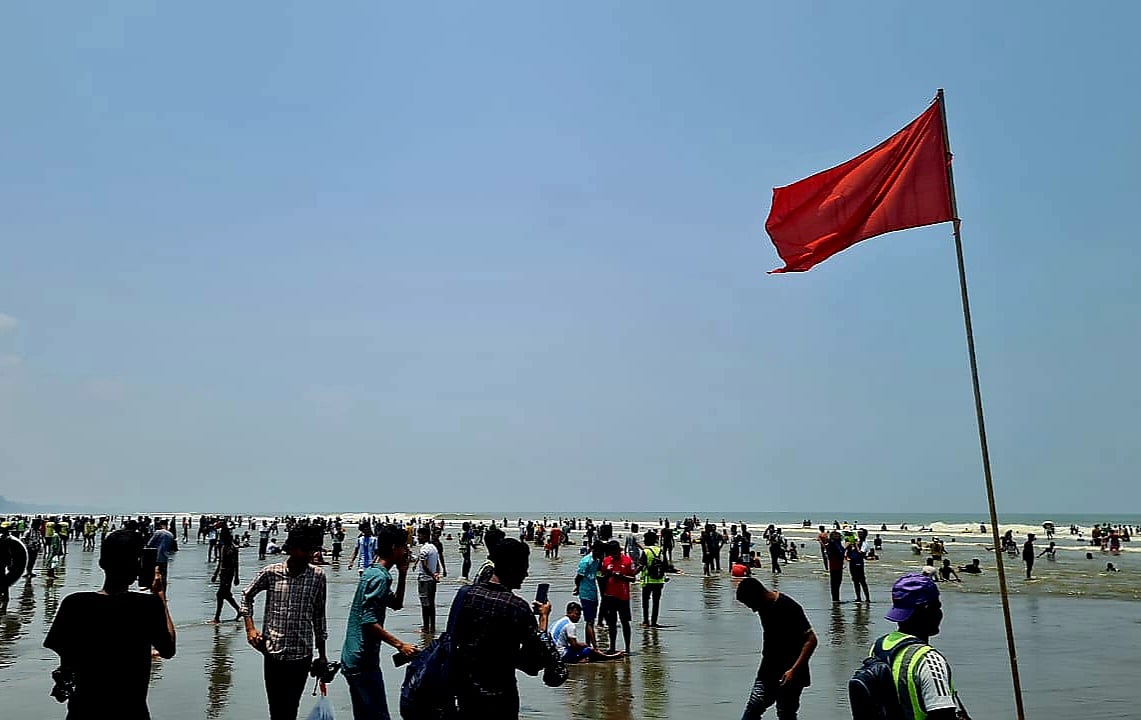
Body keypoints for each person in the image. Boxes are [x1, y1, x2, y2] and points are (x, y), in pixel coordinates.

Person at [43, 529, 176, 720]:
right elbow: (168, 649)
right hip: (130, 711)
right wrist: (161, 596)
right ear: (138, 566)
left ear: (101, 563)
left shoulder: (74, 604)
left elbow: (66, 659)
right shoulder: (147, 605)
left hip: (84, 710)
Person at [451, 537, 567, 719]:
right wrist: (543, 618)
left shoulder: (466, 594)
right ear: (513, 568)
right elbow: (533, 664)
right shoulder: (516, 607)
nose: (526, 574)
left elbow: (452, 640)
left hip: (465, 692)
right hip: (500, 696)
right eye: (524, 568)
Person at [243, 527, 329, 720]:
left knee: (291, 707)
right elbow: (246, 596)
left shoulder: (318, 576)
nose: (309, 554)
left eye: (311, 549)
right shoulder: (271, 573)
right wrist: (250, 628)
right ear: (291, 549)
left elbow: (319, 617)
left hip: (302, 654)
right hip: (273, 651)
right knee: (275, 707)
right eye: (304, 549)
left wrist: (322, 655)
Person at [340, 524, 416, 720]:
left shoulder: (373, 572)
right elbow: (368, 622)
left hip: (353, 658)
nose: (406, 551)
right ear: (393, 548)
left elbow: (397, 604)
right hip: (362, 660)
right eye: (403, 547)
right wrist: (400, 645)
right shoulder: (379, 578)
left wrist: (403, 573)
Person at [868, 574, 962, 720]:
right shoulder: (928, 659)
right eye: (937, 607)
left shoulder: (879, 647)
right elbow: (942, 714)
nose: (940, 614)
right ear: (926, 609)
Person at [735, 577, 818, 720]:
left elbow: (812, 640)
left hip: (791, 673)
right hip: (768, 669)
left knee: (786, 714)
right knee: (752, 710)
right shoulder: (763, 606)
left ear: (758, 595)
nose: (753, 610)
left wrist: (793, 670)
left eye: (750, 604)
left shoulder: (789, 607)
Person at [550, 602, 623, 663]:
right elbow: (574, 646)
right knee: (589, 650)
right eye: (576, 614)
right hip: (560, 654)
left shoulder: (558, 621)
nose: (578, 617)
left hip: (551, 653)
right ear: (569, 612)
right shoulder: (570, 625)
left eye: (579, 614)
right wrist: (583, 645)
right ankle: (610, 657)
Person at [598, 539, 636, 654]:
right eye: (612, 553)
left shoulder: (627, 560)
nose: (614, 555)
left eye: (615, 552)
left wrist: (622, 577)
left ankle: (628, 648)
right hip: (609, 595)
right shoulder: (606, 561)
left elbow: (633, 578)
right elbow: (601, 576)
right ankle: (612, 647)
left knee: (625, 622)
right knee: (611, 623)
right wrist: (607, 574)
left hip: (623, 596)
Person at [573, 541, 605, 648]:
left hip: (593, 591)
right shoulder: (586, 561)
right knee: (589, 621)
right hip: (585, 593)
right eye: (600, 552)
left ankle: (588, 644)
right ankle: (595, 646)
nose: (601, 555)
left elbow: (600, 572)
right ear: (593, 549)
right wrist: (578, 588)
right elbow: (578, 577)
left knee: (591, 620)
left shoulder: (597, 561)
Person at [211, 525, 242, 623]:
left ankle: (217, 618)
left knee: (220, 594)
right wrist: (236, 576)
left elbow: (222, 562)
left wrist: (215, 574)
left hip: (226, 573)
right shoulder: (231, 547)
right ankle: (239, 610)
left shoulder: (227, 547)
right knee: (226, 595)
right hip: (228, 573)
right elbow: (234, 563)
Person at [639, 530, 668, 627]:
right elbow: (666, 565)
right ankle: (654, 622)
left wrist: (632, 574)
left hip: (647, 580)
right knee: (656, 602)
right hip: (659, 580)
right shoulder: (660, 551)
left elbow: (640, 566)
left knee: (645, 601)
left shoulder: (646, 551)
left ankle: (646, 621)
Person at [416, 526, 441, 633]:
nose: (418, 538)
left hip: (425, 580)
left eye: (419, 536)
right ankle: (433, 626)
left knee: (425, 605)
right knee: (431, 604)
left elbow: (425, 566)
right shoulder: (433, 547)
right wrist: (436, 574)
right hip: (432, 580)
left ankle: (426, 627)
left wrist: (432, 574)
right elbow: (437, 563)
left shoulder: (424, 549)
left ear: (425, 536)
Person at [146, 519, 176, 586]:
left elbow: (149, 544)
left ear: (160, 525)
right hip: (165, 557)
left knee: (154, 574)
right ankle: (163, 588)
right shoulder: (170, 534)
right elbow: (171, 548)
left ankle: (154, 589)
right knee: (163, 575)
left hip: (155, 556)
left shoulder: (157, 532)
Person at [846, 537, 870, 601]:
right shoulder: (852, 546)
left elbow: (862, 554)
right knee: (855, 582)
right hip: (852, 564)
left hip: (859, 565)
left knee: (862, 581)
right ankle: (858, 597)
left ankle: (867, 598)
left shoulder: (863, 545)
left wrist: (856, 546)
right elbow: (847, 554)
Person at [826, 531, 846, 602]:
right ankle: (835, 599)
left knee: (838, 582)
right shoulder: (832, 543)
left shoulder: (837, 543)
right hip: (834, 565)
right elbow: (838, 553)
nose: (839, 536)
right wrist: (846, 547)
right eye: (837, 535)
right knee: (835, 583)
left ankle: (836, 598)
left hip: (838, 564)